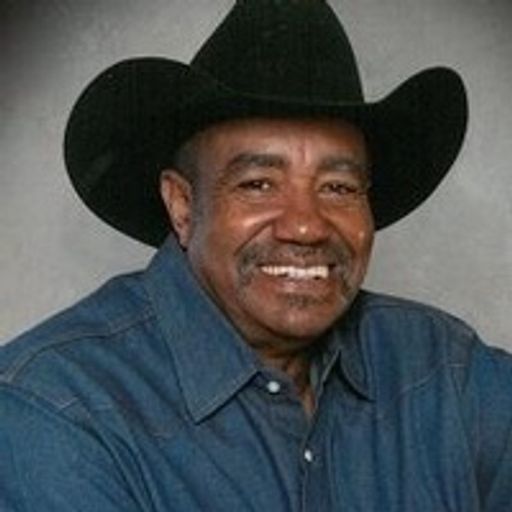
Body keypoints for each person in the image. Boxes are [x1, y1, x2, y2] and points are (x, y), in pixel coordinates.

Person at [1, 1, 511, 510]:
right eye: (258, 184)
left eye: (338, 187)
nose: (306, 225)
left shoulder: (450, 373)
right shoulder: (53, 409)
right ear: (182, 205)